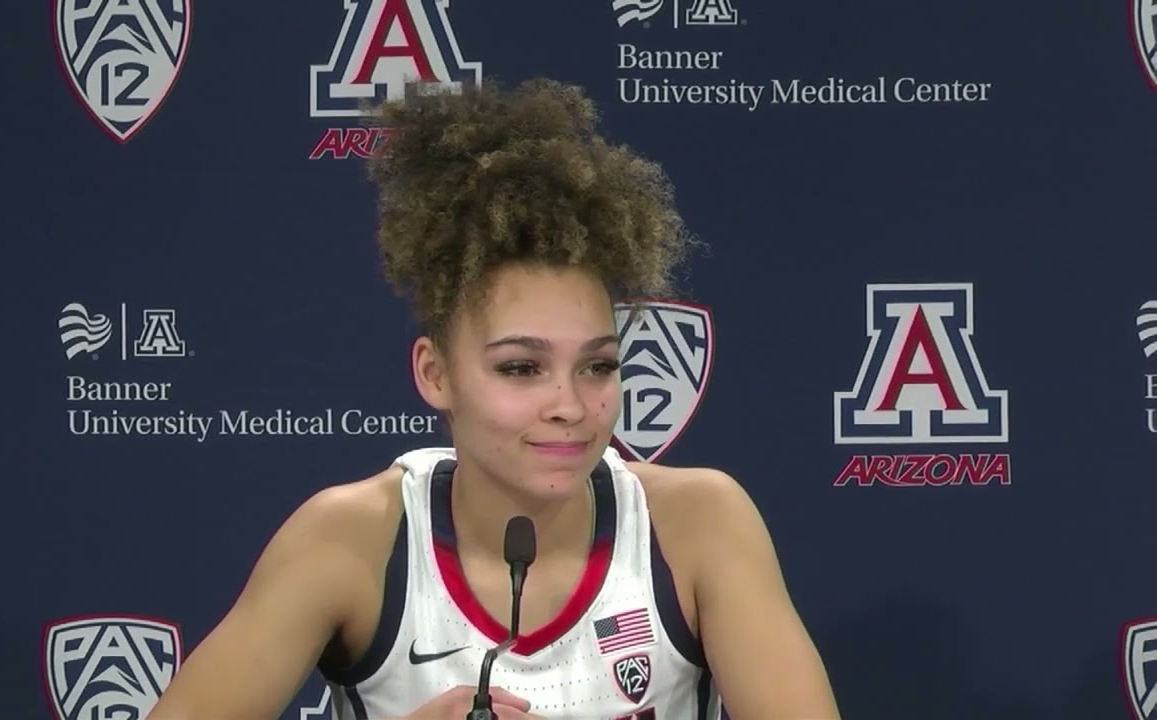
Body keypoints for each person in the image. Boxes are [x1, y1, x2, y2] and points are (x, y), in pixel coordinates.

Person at [146, 78, 841, 720]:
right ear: (435, 374)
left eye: (598, 365)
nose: (569, 404)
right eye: (520, 368)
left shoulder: (699, 523)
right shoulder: (351, 539)